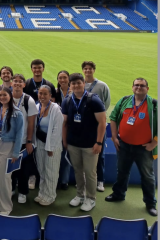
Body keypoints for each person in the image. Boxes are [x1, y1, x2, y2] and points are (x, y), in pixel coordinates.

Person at [105, 78, 158, 216]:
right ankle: (118, 194)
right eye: (136, 85)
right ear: (132, 87)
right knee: (122, 171)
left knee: (147, 176)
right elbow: (113, 117)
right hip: (124, 145)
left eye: (142, 85)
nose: (139, 87)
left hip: (144, 148)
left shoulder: (153, 105)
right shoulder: (124, 101)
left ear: (147, 88)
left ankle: (150, 203)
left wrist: (154, 142)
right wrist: (115, 137)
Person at [62, 73, 106, 212]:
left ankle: (91, 199)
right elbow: (64, 123)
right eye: (73, 83)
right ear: (70, 85)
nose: (76, 85)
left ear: (83, 84)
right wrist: (65, 141)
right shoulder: (67, 100)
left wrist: (98, 143)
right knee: (78, 170)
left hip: (90, 144)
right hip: (73, 143)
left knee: (90, 172)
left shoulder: (93, 100)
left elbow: (102, 123)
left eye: (78, 83)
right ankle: (80, 195)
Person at [0, 87, 24, 215]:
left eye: (5, 95)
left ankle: (6, 207)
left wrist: (16, 153)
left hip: (8, 146)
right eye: (0, 95)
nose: (2, 97)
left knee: (4, 178)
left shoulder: (17, 113)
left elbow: (19, 134)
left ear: (10, 95)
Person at [23, 59, 56, 190]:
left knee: (42, 151)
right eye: (35, 68)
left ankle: (43, 178)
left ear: (43, 69)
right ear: (31, 69)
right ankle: (32, 175)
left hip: (44, 122)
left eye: (39, 68)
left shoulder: (49, 84)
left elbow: (54, 103)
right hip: (29, 121)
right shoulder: (27, 83)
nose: (37, 70)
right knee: (31, 149)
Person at [82, 61, 111, 192]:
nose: (88, 71)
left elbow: (106, 103)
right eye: (85, 69)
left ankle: (100, 180)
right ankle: (83, 180)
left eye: (90, 69)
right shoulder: (79, 84)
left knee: (99, 153)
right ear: (83, 70)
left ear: (94, 70)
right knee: (84, 153)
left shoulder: (101, 85)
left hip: (98, 125)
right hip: (83, 126)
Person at [10, 74, 38, 203]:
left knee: (23, 168)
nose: (17, 83)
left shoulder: (29, 100)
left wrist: (29, 141)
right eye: (15, 81)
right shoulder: (5, 97)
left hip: (23, 141)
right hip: (8, 140)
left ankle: (22, 192)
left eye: (20, 82)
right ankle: (11, 189)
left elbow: (31, 123)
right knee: (9, 167)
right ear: (11, 83)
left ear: (24, 85)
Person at [34, 85, 63, 206]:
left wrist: (51, 147)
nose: (42, 96)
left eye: (45, 94)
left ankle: (50, 196)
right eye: (40, 93)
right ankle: (42, 193)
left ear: (50, 96)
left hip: (52, 145)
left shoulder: (56, 108)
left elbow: (57, 130)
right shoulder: (36, 107)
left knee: (51, 171)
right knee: (42, 170)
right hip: (40, 143)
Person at [54, 70, 72, 190]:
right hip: (57, 127)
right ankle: (56, 179)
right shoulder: (55, 93)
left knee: (66, 155)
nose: (62, 80)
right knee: (57, 154)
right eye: (60, 78)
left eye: (65, 77)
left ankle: (64, 180)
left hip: (71, 127)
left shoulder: (74, 93)